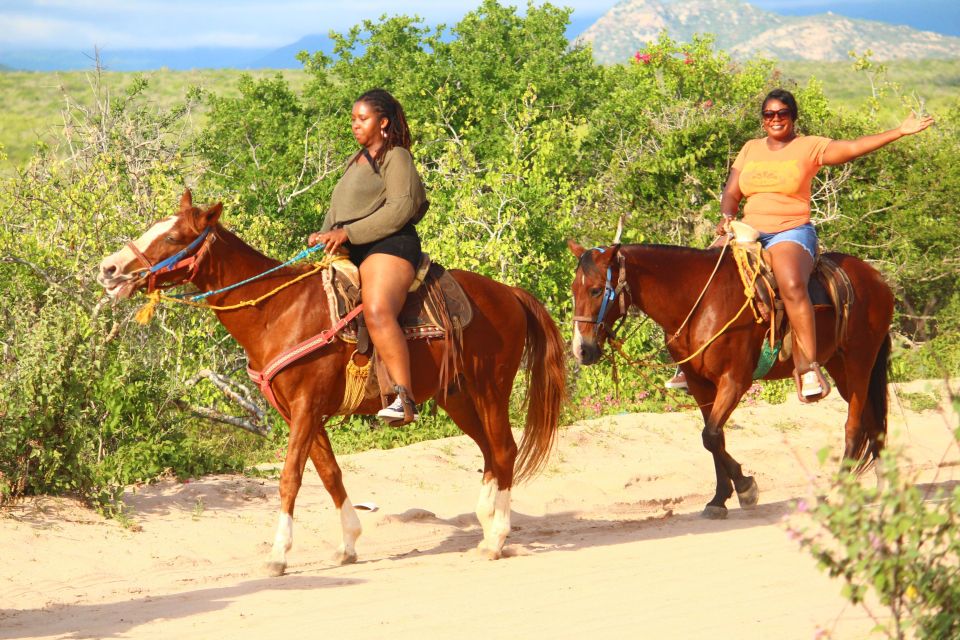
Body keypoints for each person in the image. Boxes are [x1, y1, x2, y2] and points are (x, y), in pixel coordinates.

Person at [713, 87, 934, 400]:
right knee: (707, 270)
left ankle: (807, 367)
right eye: (769, 114)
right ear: (763, 120)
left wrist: (898, 131)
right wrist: (726, 214)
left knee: (791, 283)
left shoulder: (809, 146)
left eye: (782, 114)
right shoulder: (750, 148)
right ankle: (694, 357)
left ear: (793, 117)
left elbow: (853, 147)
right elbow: (732, 193)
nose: (775, 119)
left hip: (789, 231)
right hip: (748, 229)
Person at [308, 88, 429, 424]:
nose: (355, 125)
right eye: (353, 119)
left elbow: (401, 207)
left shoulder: (397, 157)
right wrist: (324, 234)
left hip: (390, 245)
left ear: (383, 121)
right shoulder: (356, 160)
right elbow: (338, 211)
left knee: (376, 310)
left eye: (362, 119)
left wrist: (347, 233)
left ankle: (404, 399)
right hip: (352, 248)